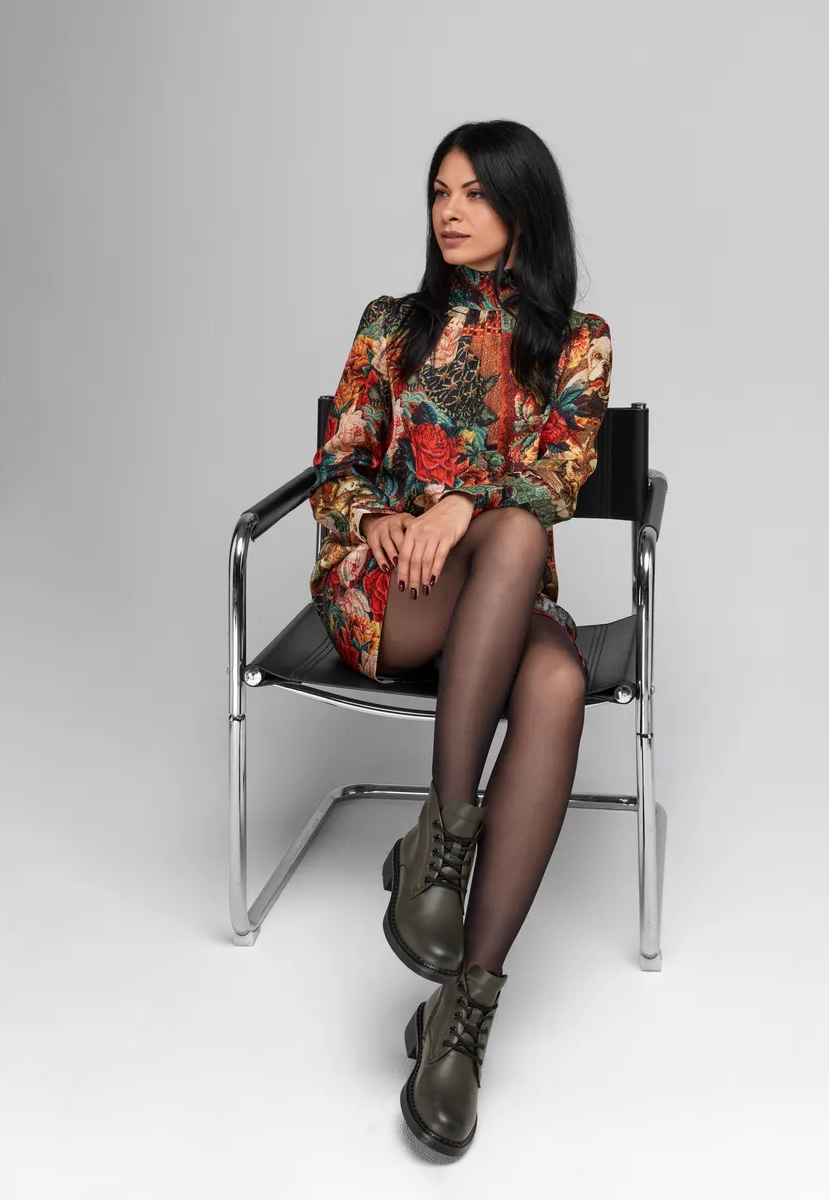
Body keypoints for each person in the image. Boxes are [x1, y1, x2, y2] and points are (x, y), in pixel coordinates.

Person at [308, 119, 612, 1157]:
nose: (451, 210)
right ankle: (441, 851)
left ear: (525, 209)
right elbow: (339, 465)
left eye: (476, 193)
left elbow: (559, 476)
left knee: (556, 675)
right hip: (395, 594)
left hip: (502, 601)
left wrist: (464, 506)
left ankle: (462, 1016)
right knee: (513, 534)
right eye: (441, 191)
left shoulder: (577, 341)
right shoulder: (392, 324)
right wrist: (380, 519)